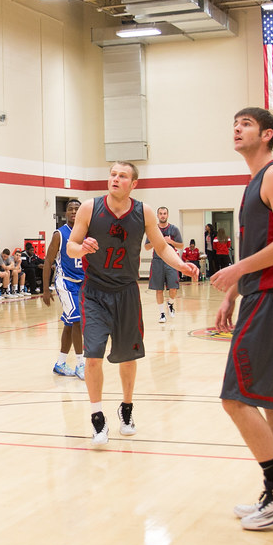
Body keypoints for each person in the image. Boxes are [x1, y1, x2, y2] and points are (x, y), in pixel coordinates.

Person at [211, 108, 273, 530]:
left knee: (235, 398)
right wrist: (232, 293)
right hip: (260, 295)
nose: (237, 128)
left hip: (272, 297)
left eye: (246, 123)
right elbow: (259, 247)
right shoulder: (254, 181)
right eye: (235, 122)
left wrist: (235, 272)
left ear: (267, 134)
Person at [67, 163, 199, 446]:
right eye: (112, 174)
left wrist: (181, 265)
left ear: (133, 184)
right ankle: (97, 418)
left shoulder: (144, 212)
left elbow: (162, 246)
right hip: (94, 292)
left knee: (128, 357)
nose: (115, 179)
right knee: (92, 356)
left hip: (126, 292)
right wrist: (83, 248)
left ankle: (126, 409)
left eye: (122, 176)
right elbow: (71, 246)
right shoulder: (90, 208)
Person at [42, 198, 85, 379]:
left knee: (69, 324)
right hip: (65, 283)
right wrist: (45, 289)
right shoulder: (60, 234)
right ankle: (81, 364)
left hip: (83, 283)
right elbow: (47, 261)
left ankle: (60, 363)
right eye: (70, 209)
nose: (74, 211)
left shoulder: (87, 233)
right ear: (65, 213)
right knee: (77, 321)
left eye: (77, 209)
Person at [144, 206, 183, 321]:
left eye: (164, 213)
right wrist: (155, 241)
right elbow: (146, 247)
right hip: (157, 261)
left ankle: (170, 304)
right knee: (159, 289)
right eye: (160, 213)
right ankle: (162, 314)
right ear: (157, 215)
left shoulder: (174, 229)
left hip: (171, 261)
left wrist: (170, 241)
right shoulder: (153, 229)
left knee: (173, 288)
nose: (162, 215)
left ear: (167, 215)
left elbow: (181, 245)